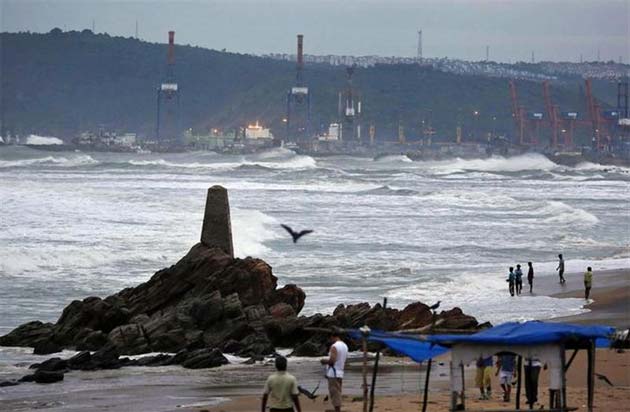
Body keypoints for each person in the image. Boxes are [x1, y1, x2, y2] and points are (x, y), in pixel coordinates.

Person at [320, 331, 348, 412]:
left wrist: (323, 361)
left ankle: (337, 410)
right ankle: (337, 409)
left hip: (333, 373)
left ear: (333, 336)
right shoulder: (345, 346)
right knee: (338, 392)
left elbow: (332, 360)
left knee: (334, 394)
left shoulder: (334, 346)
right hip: (340, 372)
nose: (330, 340)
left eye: (330, 338)